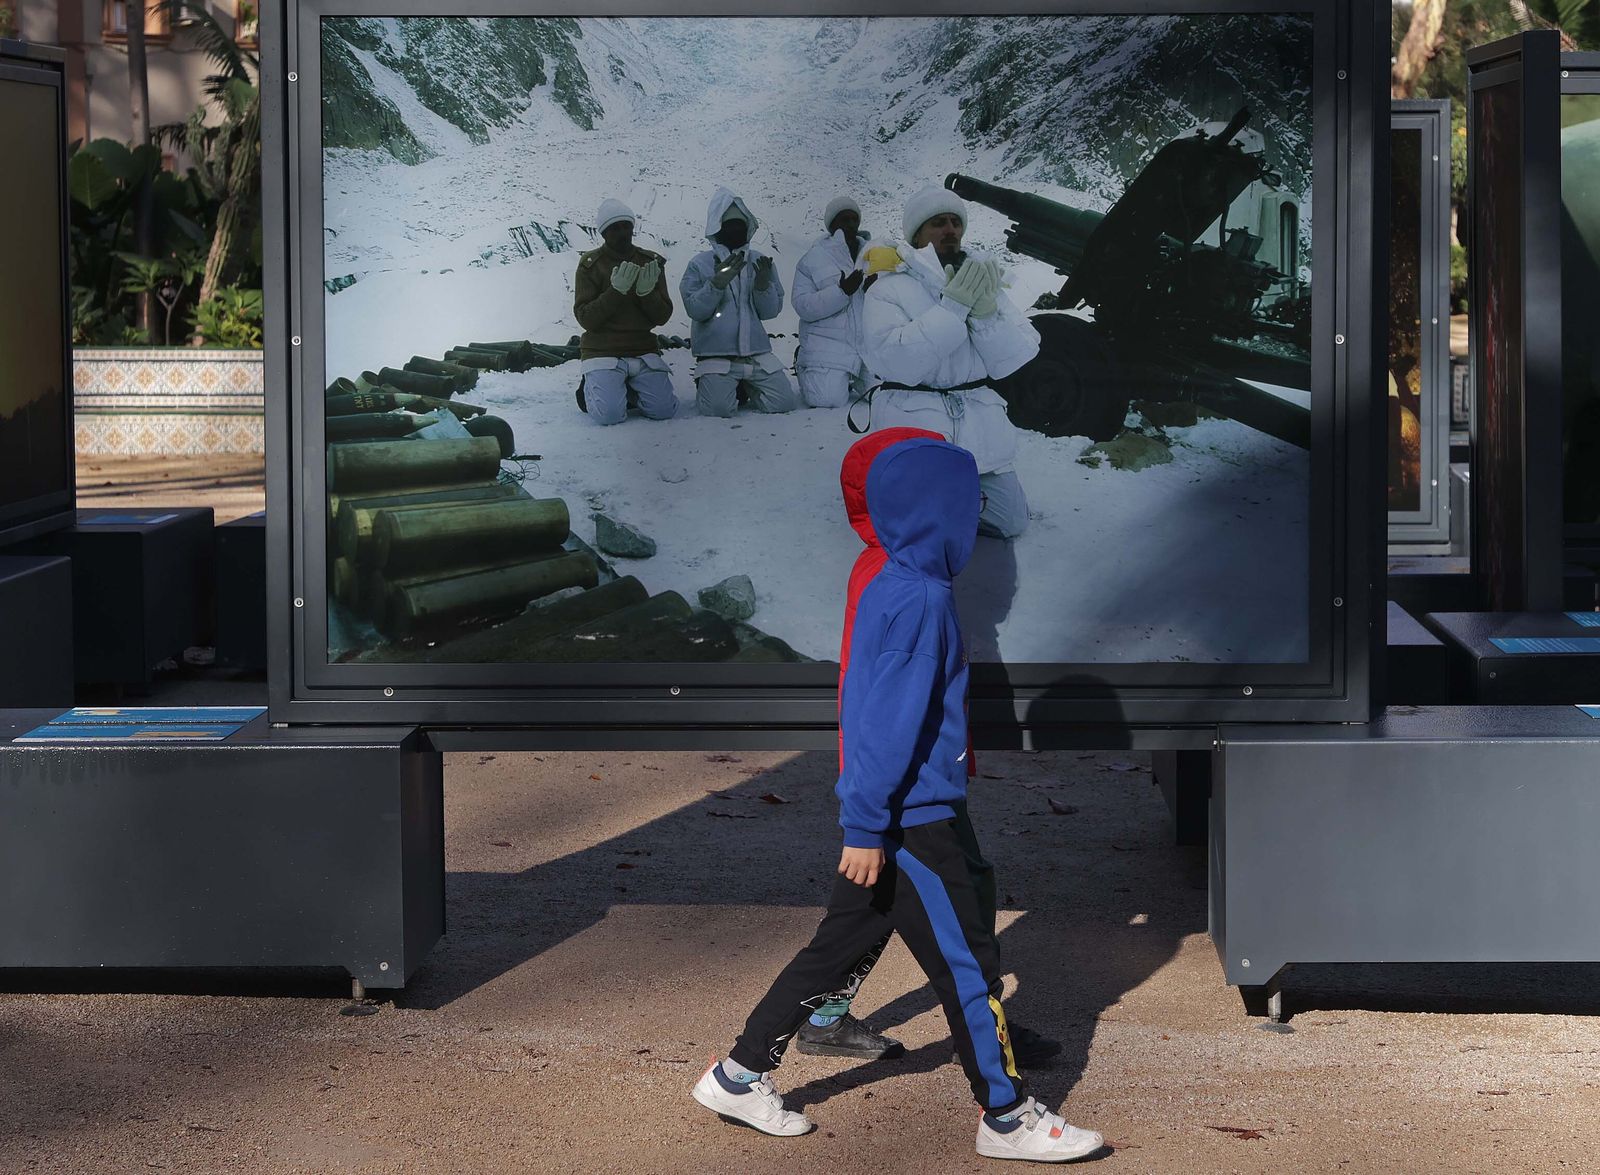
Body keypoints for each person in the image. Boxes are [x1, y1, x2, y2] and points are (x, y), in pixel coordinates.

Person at [691, 435, 1101, 1165]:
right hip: (911, 819)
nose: (972, 519)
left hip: (903, 813)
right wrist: (867, 825)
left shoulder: (893, 576)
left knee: (837, 948)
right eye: (963, 505)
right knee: (967, 963)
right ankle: (1005, 1116)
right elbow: (881, 723)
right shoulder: (920, 596)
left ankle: (738, 1074)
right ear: (937, 512)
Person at [795, 428, 1061, 1070]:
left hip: (898, 781)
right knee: (955, 907)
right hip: (906, 786)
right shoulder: (908, 584)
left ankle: (807, 1025)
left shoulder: (891, 564)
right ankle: (986, 1038)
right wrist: (869, 812)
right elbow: (891, 711)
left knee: (868, 909)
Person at [859, 185, 1039, 539]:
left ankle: (949, 503)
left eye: (956, 222)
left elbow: (1017, 357)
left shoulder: (985, 282)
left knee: (1011, 521)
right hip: (917, 417)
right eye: (938, 223)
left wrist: (986, 315)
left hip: (978, 422)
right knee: (916, 532)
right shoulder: (887, 288)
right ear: (917, 235)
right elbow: (895, 362)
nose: (950, 230)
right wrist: (953, 308)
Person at [679, 187, 798, 418]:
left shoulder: (760, 261)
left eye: (740, 224)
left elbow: (771, 312)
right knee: (718, 410)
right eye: (730, 224)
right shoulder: (700, 264)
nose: (736, 229)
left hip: (756, 352)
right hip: (716, 355)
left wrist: (763, 287)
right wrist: (715, 285)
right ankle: (716, 384)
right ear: (717, 228)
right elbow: (695, 310)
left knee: (784, 403)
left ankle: (742, 385)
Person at [572, 198, 677, 425]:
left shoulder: (650, 262)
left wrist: (647, 294)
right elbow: (586, 319)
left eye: (626, 226)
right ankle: (592, 388)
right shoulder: (590, 264)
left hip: (642, 349)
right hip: (602, 351)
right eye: (614, 228)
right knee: (609, 416)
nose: (622, 232)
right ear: (604, 233)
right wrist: (615, 292)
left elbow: (662, 317)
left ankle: (624, 388)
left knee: (664, 411)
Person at [791, 195, 871, 409]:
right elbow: (802, 305)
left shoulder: (873, 255)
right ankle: (806, 365)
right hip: (827, 347)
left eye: (854, 219)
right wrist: (842, 292)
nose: (851, 224)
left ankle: (851, 376)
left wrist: (875, 290)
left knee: (884, 396)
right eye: (844, 219)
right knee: (827, 400)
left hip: (867, 349)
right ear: (832, 224)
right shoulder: (813, 258)